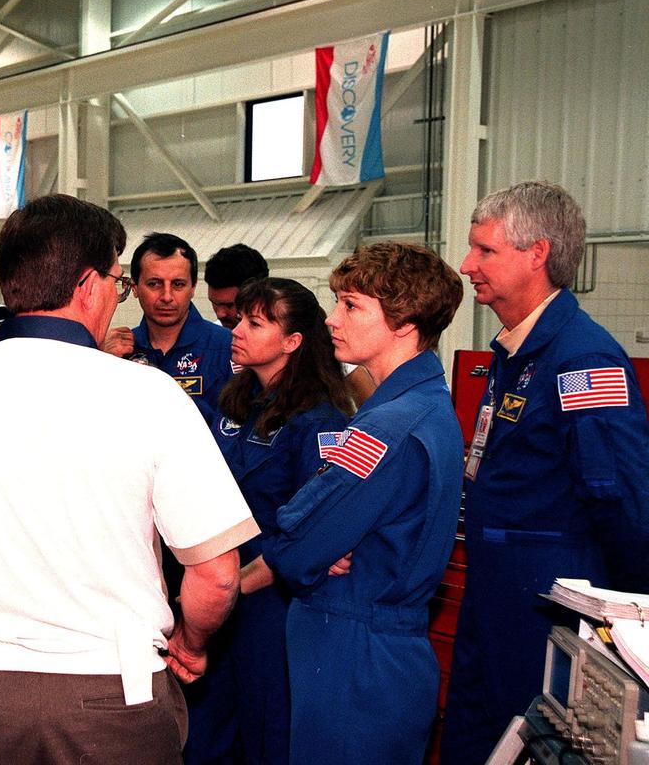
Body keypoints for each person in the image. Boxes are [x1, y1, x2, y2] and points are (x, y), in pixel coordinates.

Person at [0, 194, 258, 765]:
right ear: (89, 286)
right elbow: (216, 573)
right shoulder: (150, 396)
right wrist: (190, 645)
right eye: (120, 285)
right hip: (118, 694)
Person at [441, 181, 649, 764]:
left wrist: (628, 624)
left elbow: (621, 499)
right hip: (496, 598)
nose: (467, 265)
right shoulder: (514, 354)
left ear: (537, 253)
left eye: (484, 251)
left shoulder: (582, 359)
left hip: (546, 611)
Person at [264, 241, 464, 764]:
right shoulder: (426, 404)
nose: (332, 319)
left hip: (355, 652)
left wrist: (305, 539)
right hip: (374, 647)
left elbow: (296, 543)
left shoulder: (388, 426)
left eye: (351, 306)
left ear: (404, 322)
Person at [184, 278, 352, 765]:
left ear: (292, 341)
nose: (237, 329)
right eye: (239, 318)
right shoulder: (234, 403)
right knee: (207, 731)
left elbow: (314, 533)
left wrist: (237, 584)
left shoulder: (319, 421)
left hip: (271, 604)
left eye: (255, 323)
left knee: (267, 733)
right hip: (217, 594)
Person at [102, 232, 234, 422]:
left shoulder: (228, 347)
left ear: (193, 287)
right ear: (135, 287)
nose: (166, 296)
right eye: (154, 284)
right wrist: (101, 362)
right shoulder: (116, 354)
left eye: (178, 284)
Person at [203, 244, 269, 329]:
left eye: (229, 305)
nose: (220, 314)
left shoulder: (285, 337)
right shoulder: (212, 339)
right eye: (214, 303)